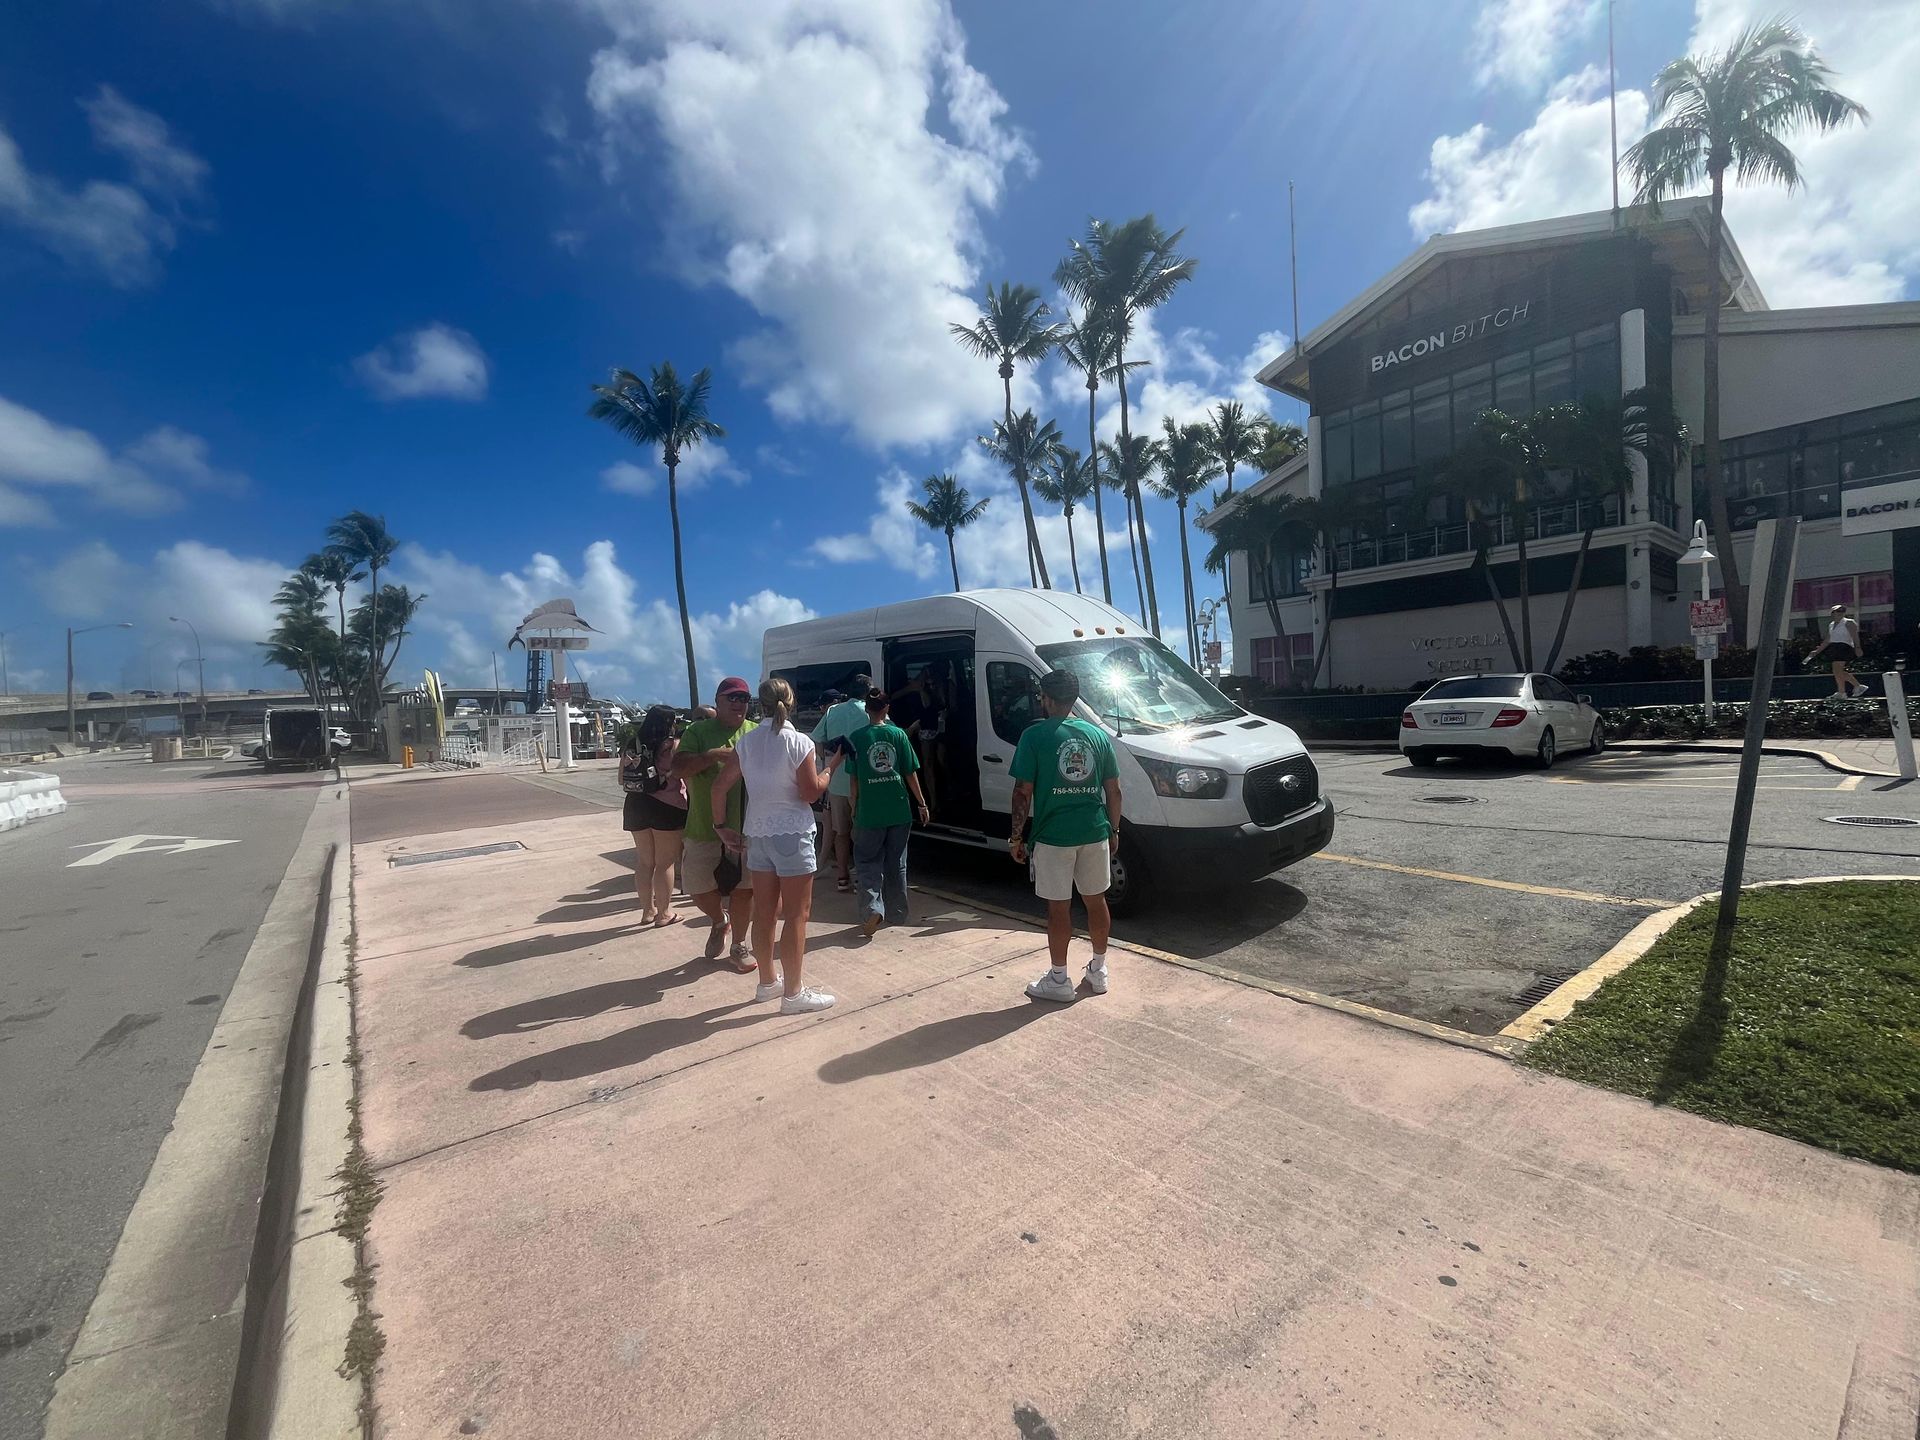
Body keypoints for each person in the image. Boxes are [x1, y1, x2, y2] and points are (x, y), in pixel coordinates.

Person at [713, 678, 842, 1014]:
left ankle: (768, 983)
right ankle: (794, 994)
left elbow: (719, 787)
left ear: (761, 704)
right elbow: (811, 792)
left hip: (758, 833)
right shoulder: (800, 742)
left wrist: (721, 827)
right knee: (797, 916)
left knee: (765, 913)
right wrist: (832, 767)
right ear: (792, 702)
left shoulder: (746, 743)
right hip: (793, 833)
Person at [1009, 668, 1122, 1003]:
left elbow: (1022, 792)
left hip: (1053, 835)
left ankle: (1059, 978)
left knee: (1059, 909)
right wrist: (1113, 830)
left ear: (1046, 698)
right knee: (1096, 900)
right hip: (1093, 830)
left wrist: (1016, 837)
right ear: (1073, 700)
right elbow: (1114, 791)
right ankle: (1098, 970)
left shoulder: (1034, 737)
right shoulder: (1098, 737)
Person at [674, 678, 756, 971]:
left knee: (745, 890)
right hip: (703, 828)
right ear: (718, 700)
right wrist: (711, 756)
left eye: (744, 698)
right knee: (696, 886)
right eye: (732, 697)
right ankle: (720, 921)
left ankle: (739, 944)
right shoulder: (698, 731)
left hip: (747, 829)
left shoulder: (755, 733)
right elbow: (679, 769)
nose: (739, 703)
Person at [848, 688, 930, 938]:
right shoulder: (898, 735)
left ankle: (873, 908)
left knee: (867, 862)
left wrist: (854, 807)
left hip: (869, 811)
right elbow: (910, 772)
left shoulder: (857, 737)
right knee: (897, 862)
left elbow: (854, 779)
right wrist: (922, 803)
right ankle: (897, 912)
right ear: (887, 709)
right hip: (898, 808)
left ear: (866, 709)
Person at [619, 705, 688, 927]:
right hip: (667, 807)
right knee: (665, 863)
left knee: (645, 862)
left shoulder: (633, 744)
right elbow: (683, 773)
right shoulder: (672, 745)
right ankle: (664, 913)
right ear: (670, 723)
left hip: (636, 804)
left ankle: (647, 911)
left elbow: (621, 779)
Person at [810, 674, 872, 895]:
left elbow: (817, 737)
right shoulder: (870, 710)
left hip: (836, 782)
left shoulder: (832, 711)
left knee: (840, 832)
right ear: (867, 691)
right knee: (863, 833)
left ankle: (842, 877)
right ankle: (861, 879)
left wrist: (826, 760)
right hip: (863, 782)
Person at [1809, 603, 1869, 698]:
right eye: (1837, 611)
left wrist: (1858, 648)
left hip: (1844, 647)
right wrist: (1817, 651)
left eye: (1842, 611)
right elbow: (1828, 640)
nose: (1840, 613)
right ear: (1832, 613)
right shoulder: (1831, 625)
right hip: (1834, 648)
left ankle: (1842, 692)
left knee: (1837, 669)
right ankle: (1857, 686)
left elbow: (1855, 636)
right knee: (1837, 671)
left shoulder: (1849, 622)